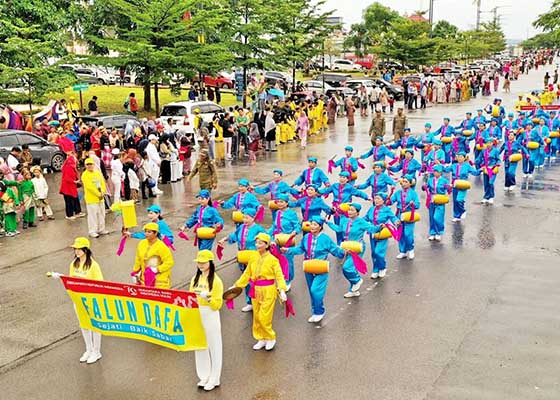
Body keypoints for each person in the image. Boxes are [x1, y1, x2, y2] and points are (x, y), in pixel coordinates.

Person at [231, 233, 287, 351]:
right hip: (255, 290)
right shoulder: (253, 257)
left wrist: (282, 289)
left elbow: (279, 276)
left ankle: (270, 337)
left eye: (260, 243)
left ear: (267, 245)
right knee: (256, 316)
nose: (257, 245)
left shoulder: (273, 260)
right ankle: (261, 338)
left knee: (264, 316)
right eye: (256, 242)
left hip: (268, 291)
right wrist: (236, 286)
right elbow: (247, 274)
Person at [52, 237, 104, 364]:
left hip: (91, 300)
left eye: (78, 248)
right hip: (78, 300)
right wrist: (60, 277)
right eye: (75, 249)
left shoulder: (93, 265)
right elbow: (71, 280)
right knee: (84, 325)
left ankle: (97, 351)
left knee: (95, 326)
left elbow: (100, 284)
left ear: (85, 249)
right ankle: (89, 349)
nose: (76, 251)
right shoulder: (74, 264)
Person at [283, 216, 344, 323]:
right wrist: (288, 250)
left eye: (315, 224)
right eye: (311, 223)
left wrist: (343, 252)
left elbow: (335, 250)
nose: (312, 226)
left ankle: (320, 311)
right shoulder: (307, 237)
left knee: (315, 290)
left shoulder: (325, 239)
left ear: (320, 227)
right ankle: (315, 311)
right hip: (308, 267)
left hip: (321, 268)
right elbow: (300, 249)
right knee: (312, 291)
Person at [219, 208, 267, 312]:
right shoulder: (241, 227)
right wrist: (224, 239)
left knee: (255, 281)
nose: (244, 220)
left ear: (253, 218)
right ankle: (249, 302)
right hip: (243, 258)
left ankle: (259, 301)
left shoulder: (258, 229)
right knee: (246, 280)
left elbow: (267, 239)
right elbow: (235, 236)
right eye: (243, 217)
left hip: (254, 258)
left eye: (247, 217)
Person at [190, 250, 223, 391]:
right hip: (198, 313)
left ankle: (215, 378)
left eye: (203, 262)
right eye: (199, 262)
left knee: (214, 346)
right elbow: (189, 297)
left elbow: (217, 305)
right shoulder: (194, 279)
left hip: (210, 313)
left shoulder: (216, 281)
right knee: (200, 345)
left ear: (210, 263)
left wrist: (209, 298)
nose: (201, 264)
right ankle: (204, 375)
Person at [131, 222, 174, 288]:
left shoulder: (161, 246)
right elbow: (138, 259)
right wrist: (135, 272)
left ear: (155, 233)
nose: (146, 234)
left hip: (159, 283)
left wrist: (157, 269)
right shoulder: (142, 243)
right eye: (145, 231)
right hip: (144, 281)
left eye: (149, 232)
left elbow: (169, 262)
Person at [390, 175, 420, 259]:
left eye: (406, 182)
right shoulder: (398, 193)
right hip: (399, 214)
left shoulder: (413, 193)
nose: (403, 183)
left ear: (410, 183)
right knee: (400, 233)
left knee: (408, 233)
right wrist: (388, 198)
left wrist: (413, 204)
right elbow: (391, 201)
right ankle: (402, 251)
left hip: (409, 215)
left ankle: (411, 249)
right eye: (403, 181)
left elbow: (418, 205)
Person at [422, 164, 450, 241]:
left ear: (441, 172)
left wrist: (448, 187)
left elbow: (449, 190)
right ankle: (432, 232)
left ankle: (439, 232)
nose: (435, 173)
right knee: (431, 217)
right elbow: (425, 188)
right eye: (434, 171)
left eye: (437, 171)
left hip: (440, 200)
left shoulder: (444, 180)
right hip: (432, 199)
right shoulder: (430, 180)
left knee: (437, 217)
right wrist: (424, 186)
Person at [81, 157, 108, 238]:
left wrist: (103, 191)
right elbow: (89, 187)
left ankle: (101, 229)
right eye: (87, 164)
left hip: (101, 197)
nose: (89, 166)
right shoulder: (85, 175)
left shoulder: (97, 173)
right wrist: (98, 194)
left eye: (91, 164)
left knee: (101, 213)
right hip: (91, 199)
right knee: (92, 215)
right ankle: (92, 231)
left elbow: (102, 182)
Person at [59, 152, 84, 220]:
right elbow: (67, 178)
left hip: (69, 187)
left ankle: (76, 212)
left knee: (73, 200)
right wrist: (75, 181)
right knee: (69, 201)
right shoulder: (69, 167)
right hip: (68, 188)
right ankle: (69, 215)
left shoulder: (68, 166)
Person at [476, 138, 501, 205]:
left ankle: (491, 197)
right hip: (485, 168)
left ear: (493, 143)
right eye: (487, 143)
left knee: (490, 182)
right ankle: (486, 197)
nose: (489, 144)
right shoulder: (483, 151)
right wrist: (475, 162)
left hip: (492, 168)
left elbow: (498, 159)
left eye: (490, 143)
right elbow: (479, 158)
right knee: (486, 183)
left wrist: (498, 164)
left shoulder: (495, 151)